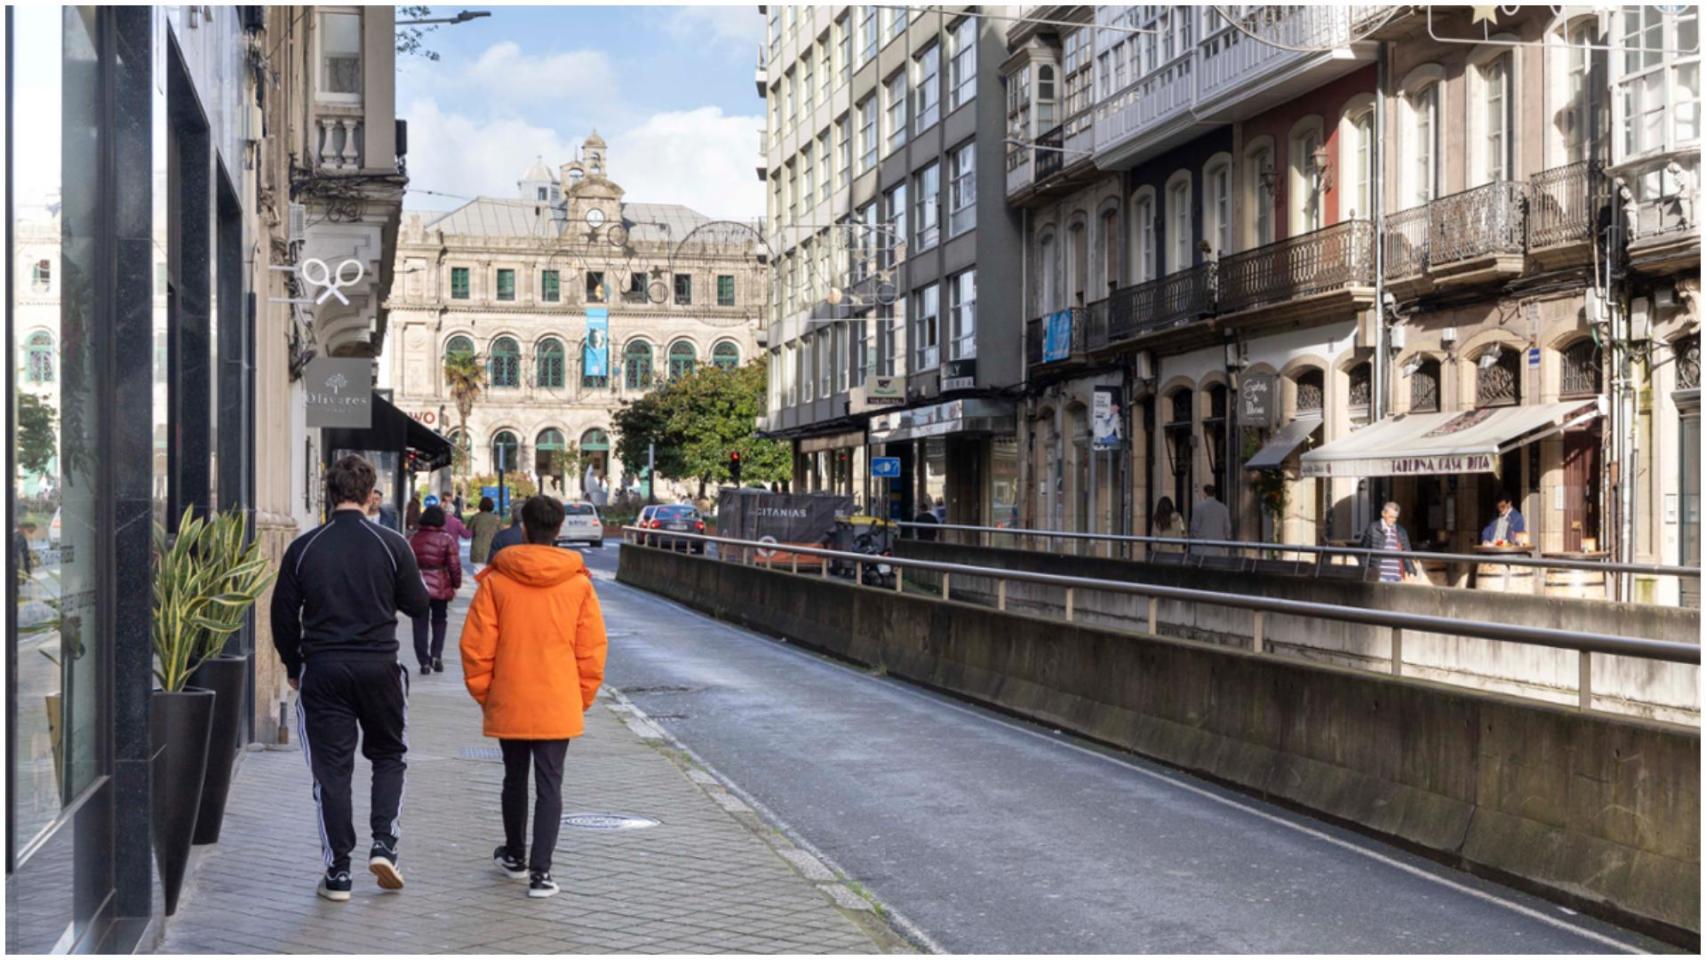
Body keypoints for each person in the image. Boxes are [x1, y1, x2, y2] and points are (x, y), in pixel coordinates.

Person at [271, 455, 431, 902]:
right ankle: (385, 844)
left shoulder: (304, 548)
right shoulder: (390, 544)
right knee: (388, 755)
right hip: (380, 667)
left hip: (323, 669)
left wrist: (293, 666)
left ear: (329, 492)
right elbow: (418, 604)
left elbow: (283, 616)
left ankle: (338, 871)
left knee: (332, 772)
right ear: (368, 494)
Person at [460, 496, 608, 900]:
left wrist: (486, 694)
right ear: (559, 531)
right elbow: (591, 650)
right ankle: (541, 874)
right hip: (558, 698)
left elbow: (476, 647)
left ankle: (514, 855)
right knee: (550, 785)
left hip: (510, 692)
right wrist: (580, 697)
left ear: (523, 528)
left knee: (513, 778)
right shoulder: (578, 584)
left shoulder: (496, 581)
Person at [408, 505, 462, 675]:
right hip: (440, 585)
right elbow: (454, 566)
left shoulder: (413, 538)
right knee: (440, 620)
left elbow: (407, 565)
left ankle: (423, 661)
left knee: (419, 623)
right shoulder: (446, 539)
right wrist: (455, 584)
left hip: (418, 586)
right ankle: (436, 654)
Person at [1360, 501, 1418, 583]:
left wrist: (1411, 571)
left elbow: (1407, 552)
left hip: (1396, 576)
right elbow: (1363, 552)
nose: (1393, 520)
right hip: (1378, 575)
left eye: (1395, 518)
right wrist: (1364, 572)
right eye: (1391, 517)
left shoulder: (1401, 531)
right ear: (1383, 514)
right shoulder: (1373, 528)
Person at [1188, 484, 1232, 556]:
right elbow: (1227, 528)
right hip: (1218, 549)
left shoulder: (1198, 508)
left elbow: (1194, 529)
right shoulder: (1223, 508)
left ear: (1205, 493)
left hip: (1201, 548)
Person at [468, 496, 503, 565]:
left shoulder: (475, 517)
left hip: (478, 549)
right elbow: (502, 533)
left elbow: (468, 531)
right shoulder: (496, 518)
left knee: (478, 572)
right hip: (492, 549)